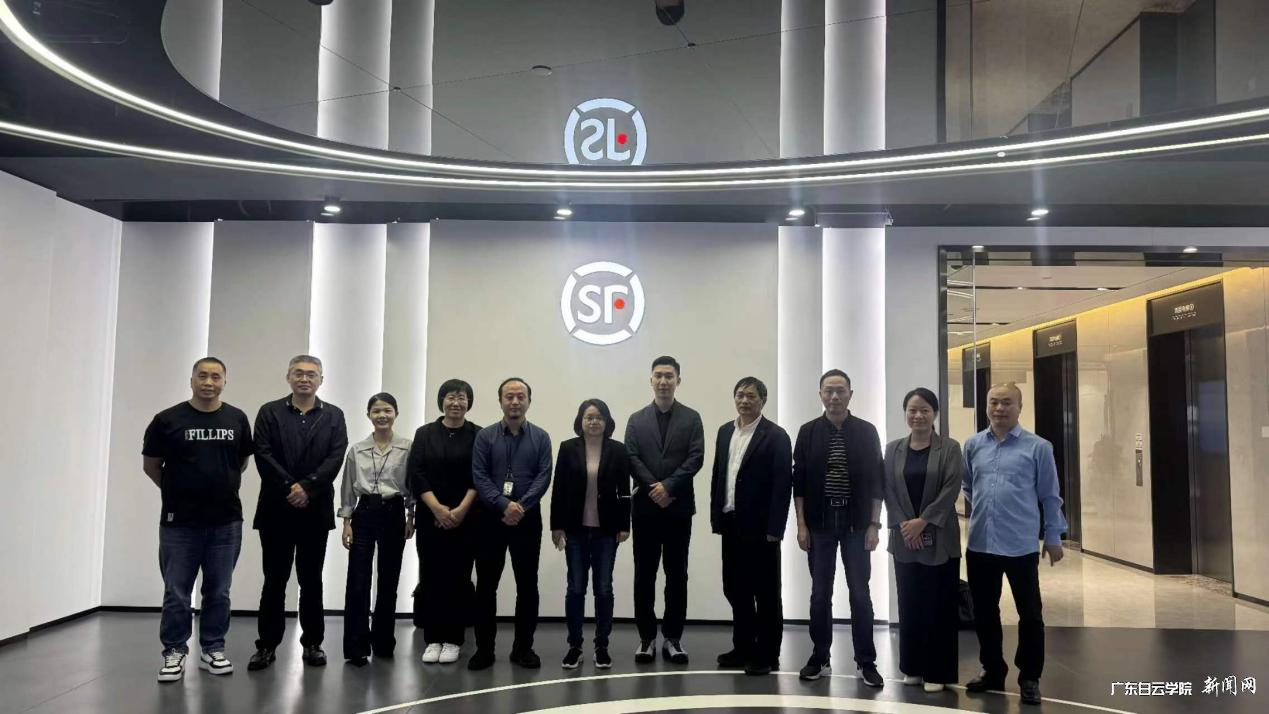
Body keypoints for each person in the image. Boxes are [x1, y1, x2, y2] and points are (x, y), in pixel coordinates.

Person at [144, 357, 254, 682]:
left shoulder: (237, 418)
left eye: (215, 377)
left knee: (219, 591)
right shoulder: (167, 420)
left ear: (224, 381)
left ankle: (212, 648)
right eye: (202, 376)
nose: (208, 382)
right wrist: (179, 491)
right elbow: (151, 465)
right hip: (179, 523)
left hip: (226, 522)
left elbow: (241, 462)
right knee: (176, 592)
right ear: (191, 380)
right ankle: (174, 651)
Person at [962, 383, 1068, 706]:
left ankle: (1030, 677)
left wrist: (1053, 536)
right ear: (986, 406)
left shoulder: (1039, 448)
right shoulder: (973, 445)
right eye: (993, 402)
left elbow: (1050, 496)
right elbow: (968, 486)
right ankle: (992, 669)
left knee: (1030, 614)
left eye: (1007, 402)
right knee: (984, 612)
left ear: (1020, 407)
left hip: (1020, 545)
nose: (999, 408)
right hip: (980, 543)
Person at [248, 355, 348, 671]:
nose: (305, 379)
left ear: (321, 380)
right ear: (288, 377)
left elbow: (335, 457)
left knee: (311, 580)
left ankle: (313, 643)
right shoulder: (269, 412)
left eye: (311, 374)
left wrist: (307, 488)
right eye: (299, 373)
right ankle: (267, 645)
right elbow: (262, 454)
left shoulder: (334, 415)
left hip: (315, 510)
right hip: (276, 510)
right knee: (274, 580)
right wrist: (290, 487)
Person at [793, 369, 884, 687]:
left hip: (857, 524)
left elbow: (877, 481)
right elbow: (799, 482)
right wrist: (801, 524)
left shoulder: (866, 431)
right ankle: (820, 657)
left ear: (850, 394)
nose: (834, 396)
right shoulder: (807, 432)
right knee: (820, 594)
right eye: (828, 391)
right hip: (819, 525)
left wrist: (874, 524)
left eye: (840, 390)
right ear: (820, 395)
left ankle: (866, 661)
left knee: (860, 594)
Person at [882, 388, 964, 693]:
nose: (918, 416)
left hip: (940, 538)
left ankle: (937, 671)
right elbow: (888, 489)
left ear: (935, 414)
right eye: (912, 410)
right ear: (905, 413)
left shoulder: (950, 448)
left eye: (925, 410)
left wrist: (922, 522)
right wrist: (906, 526)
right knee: (910, 603)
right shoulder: (893, 449)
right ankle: (913, 667)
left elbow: (951, 489)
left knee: (939, 606)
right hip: (905, 539)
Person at [709, 377, 792, 676]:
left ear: (763, 401)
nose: (744, 401)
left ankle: (768, 653)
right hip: (731, 523)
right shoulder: (724, 432)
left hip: (761, 528)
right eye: (740, 395)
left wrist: (775, 528)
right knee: (735, 588)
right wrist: (716, 516)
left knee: (766, 593)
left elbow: (783, 485)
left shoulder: (776, 436)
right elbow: (719, 475)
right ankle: (743, 646)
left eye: (751, 396)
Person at [468, 377, 553, 670]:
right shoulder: (485, 437)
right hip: (490, 518)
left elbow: (544, 476)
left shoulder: (541, 437)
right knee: (486, 585)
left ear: (529, 401)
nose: (515, 401)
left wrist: (521, 506)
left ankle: (523, 648)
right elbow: (479, 475)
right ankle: (484, 649)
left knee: (527, 585)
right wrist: (504, 505)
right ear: (500, 401)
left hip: (527, 520)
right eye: (509, 396)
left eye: (520, 396)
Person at [625, 355, 704, 664]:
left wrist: (668, 487)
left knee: (677, 575)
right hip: (645, 509)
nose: (663, 381)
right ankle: (646, 638)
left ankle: (673, 638)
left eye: (669, 376)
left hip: (677, 508)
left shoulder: (692, 418)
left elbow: (696, 457)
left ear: (678, 381)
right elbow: (632, 458)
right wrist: (653, 488)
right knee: (644, 575)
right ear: (651, 380)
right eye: (658, 375)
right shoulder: (636, 419)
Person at [550, 399, 631, 670]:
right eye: (589, 417)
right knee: (575, 588)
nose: (594, 421)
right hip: (575, 529)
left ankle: (601, 646)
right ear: (580, 421)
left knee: (603, 589)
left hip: (606, 531)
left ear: (607, 421)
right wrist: (556, 526)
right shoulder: (567, 448)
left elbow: (625, 491)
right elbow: (558, 489)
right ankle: (574, 646)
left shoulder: (618, 450)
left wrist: (625, 525)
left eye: (599, 417)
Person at [408, 378, 480, 665]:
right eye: (451, 397)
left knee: (459, 577)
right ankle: (433, 638)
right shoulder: (425, 433)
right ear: (442, 401)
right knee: (431, 576)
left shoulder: (478, 434)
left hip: (466, 518)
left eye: (462, 397)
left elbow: (479, 475)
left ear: (468, 402)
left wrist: (459, 511)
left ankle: (453, 639)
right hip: (430, 517)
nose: (456, 402)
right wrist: (437, 509)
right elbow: (417, 473)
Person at [339, 392, 414, 666]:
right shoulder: (357, 450)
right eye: (376, 411)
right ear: (369, 415)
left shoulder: (407, 448)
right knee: (357, 580)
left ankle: (383, 642)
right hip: (364, 513)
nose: (382, 415)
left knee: (389, 579)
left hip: (394, 513)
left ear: (396, 414)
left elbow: (412, 486)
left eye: (387, 410)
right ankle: (356, 646)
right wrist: (346, 523)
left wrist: (411, 517)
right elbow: (347, 488)